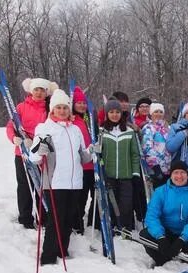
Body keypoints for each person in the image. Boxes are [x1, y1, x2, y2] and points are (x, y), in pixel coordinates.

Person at [29, 89, 92, 265]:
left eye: (65, 107)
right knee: (55, 220)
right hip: (55, 182)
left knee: (69, 218)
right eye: (59, 107)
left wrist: (93, 151)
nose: (62, 111)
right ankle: (48, 257)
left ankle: (61, 251)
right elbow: (34, 157)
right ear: (52, 109)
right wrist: (40, 150)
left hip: (74, 182)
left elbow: (83, 156)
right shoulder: (45, 128)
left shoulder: (75, 130)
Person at [6, 77, 58, 229]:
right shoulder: (21, 107)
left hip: (41, 153)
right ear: (31, 90)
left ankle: (43, 217)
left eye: (42, 90)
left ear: (47, 92)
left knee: (41, 186)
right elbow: (11, 126)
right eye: (36, 89)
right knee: (24, 185)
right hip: (22, 152)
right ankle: (25, 217)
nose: (39, 93)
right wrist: (14, 138)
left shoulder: (49, 108)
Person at [141, 160, 188, 267]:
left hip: (185, 235)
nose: (179, 176)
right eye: (176, 172)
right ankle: (162, 258)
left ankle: (186, 260)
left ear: (187, 174)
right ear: (171, 175)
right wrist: (160, 237)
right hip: (166, 233)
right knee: (145, 235)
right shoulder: (160, 192)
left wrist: (182, 239)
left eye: (182, 172)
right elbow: (152, 216)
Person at [99, 99, 140, 230]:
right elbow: (99, 153)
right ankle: (112, 226)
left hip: (126, 175)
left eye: (117, 112)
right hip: (109, 174)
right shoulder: (102, 131)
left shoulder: (129, 131)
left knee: (126, 203)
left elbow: (134, 154)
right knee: (111, 202)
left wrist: (135, 173)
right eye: (111, 112)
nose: (115, 114)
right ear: (107, 113)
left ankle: (125, 227)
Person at [71, 86, 95, 234]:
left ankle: (93, 221)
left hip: (93, 164)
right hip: (80, 165)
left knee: (95, 195)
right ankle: (76, 223)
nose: (82, 105)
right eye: (79, 103)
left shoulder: (89, 118)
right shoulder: (72, 120)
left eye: (84, 103)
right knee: (81, 196)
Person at [141, 102, 172, 189]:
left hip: (168, 168)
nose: (158, 114)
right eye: (156, 111)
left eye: (161, 112)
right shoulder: (148, 128)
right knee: (158, 196)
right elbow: (147, 148)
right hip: (156, 169)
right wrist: (155, 167)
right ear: (151, 113)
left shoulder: (167, 128)